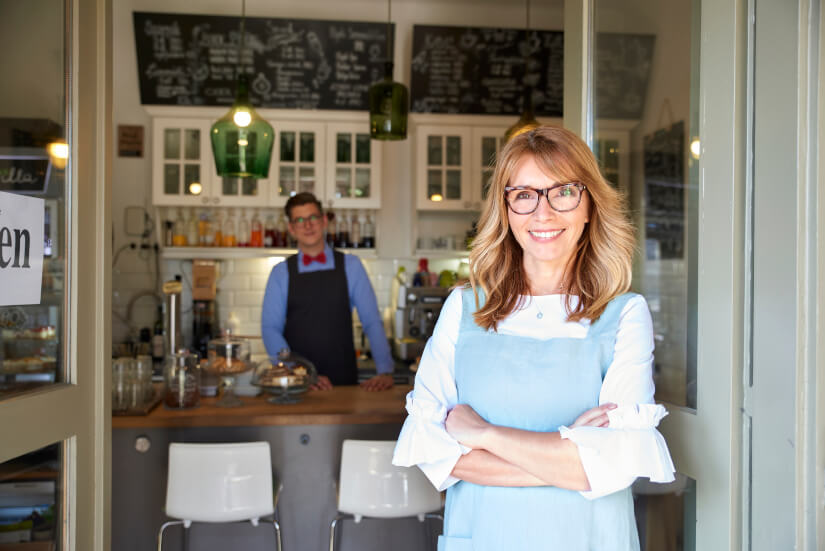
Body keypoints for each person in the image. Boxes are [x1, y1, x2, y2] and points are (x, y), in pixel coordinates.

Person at [393, 126, 675, 550]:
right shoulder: (464, 310)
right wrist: (571, 455)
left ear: (589, 205)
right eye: (524, 194)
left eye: (563, 192)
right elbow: (433, 452)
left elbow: (616, 464)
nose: (542, 213)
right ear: (505, 209)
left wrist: (483, 436)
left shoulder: (624, 314)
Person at [261, 192, 394, 391]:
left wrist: (385, 370)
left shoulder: (352, 266)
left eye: (313, 217)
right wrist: (298, 371)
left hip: (343, 382)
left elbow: (371, 321)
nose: (308, 225)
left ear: (324, 221)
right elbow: (270, 328)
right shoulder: (280, 273)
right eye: (299, 220)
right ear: (291, 228)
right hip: (299, 385)